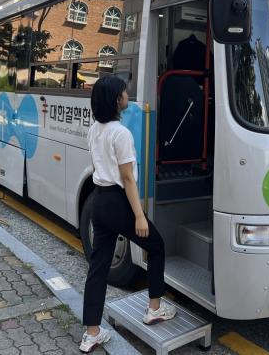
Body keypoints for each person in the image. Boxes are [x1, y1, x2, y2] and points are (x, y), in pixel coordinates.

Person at [80, 75, 176, 353]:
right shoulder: (121, 133)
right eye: (124, 93)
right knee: (156, 246)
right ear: (115, 100)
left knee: (98, 268)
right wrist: (139, 216)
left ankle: (91, 333)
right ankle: (154, 308)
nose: (127, 95)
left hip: (99, 200)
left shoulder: (94, 129)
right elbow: (128, 178)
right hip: (118, 201)